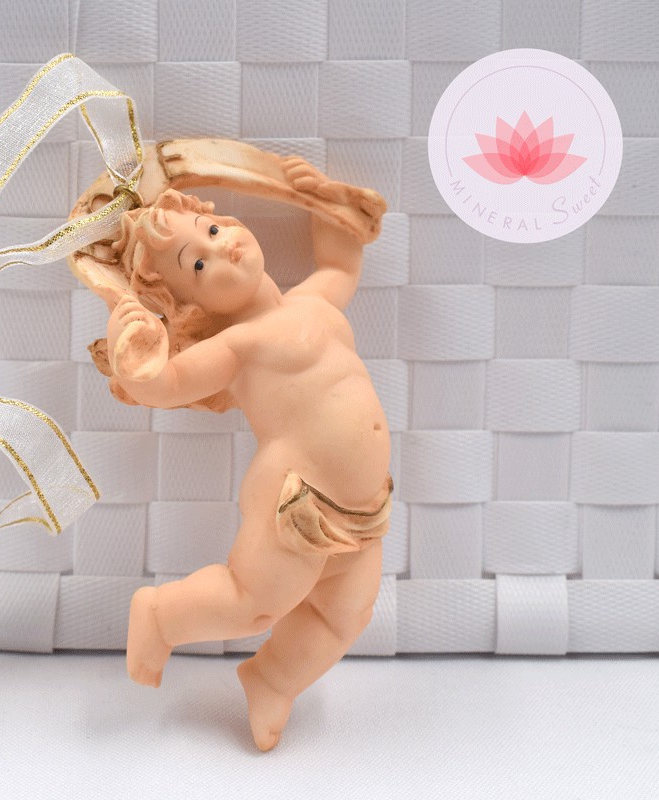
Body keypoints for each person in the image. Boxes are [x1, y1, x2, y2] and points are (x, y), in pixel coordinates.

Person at [104, 156, 391, 751]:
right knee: (254, 602)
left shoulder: (314, 301)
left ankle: (273, 680)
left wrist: (326, 200)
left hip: (364, 505)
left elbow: (340, 262)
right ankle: (160, 615)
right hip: (296, 500)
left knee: (346, 613)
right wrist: (131, 354)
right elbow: (169, 383)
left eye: (212, 229)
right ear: (193, 305)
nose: (221, 246)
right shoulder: (238, 346)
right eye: (198, 264)